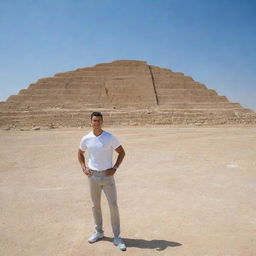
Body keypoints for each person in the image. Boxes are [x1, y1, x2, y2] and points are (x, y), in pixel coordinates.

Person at [78, 112, 126, 251]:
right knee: (95, 206)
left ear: (102, 122)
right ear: (90, 123)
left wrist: (115, 167)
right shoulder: (86, 138)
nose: (96, 123)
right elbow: (80, 153)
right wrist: (83, 168)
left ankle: (117, 236)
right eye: (94, 121)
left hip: (107, 176)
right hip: (93, 176)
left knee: (113, 205)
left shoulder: (109, 137)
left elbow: (122, 152)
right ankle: (99, 232)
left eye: (99, 121)